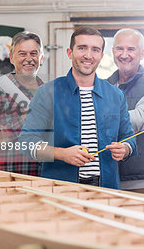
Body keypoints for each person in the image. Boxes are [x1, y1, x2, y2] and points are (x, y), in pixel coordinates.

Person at [19, 27, 136, 189]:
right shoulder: (47, 92)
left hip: (106, 190)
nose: (88, 55)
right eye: (82, 48)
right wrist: (62, 154)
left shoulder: (116, 95)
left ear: (101, 56)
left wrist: (126, 149)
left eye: (95, 50)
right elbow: (26, 143)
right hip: (60, 190)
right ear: (69, 53)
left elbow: (129, 138)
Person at [0, 31, 44, 176]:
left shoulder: (48, 93)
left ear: (41, 58)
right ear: (11, 58)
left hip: (42, 180)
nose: (29, 59)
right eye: (22, 54)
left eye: (34, 54)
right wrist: (22, 123)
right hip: (6, 180)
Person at [107, 28, 144, 196]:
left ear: (142, 54)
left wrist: (97, 117)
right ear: (113, 52)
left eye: (131, 49)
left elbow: (138, 120)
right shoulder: (103, 86)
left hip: (143, 180)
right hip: (109, 178)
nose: (124, 54)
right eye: (119, 48)